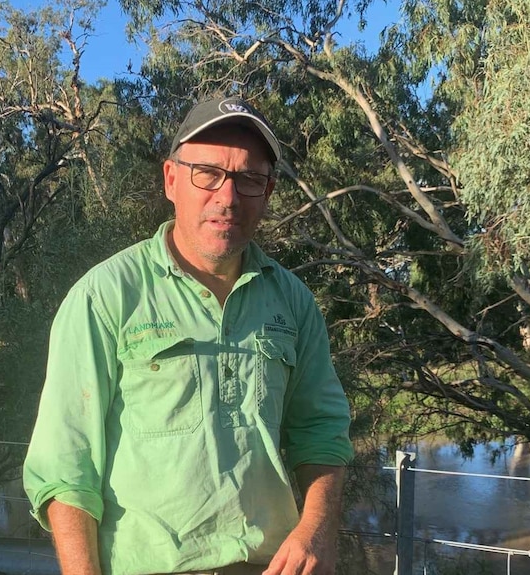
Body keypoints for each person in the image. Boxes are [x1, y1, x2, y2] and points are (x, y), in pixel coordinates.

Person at [23, 97, 353, 575]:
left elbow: (321, 432)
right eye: (208, 173)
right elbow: (66, 466)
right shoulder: (106, 296)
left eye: (249, 179)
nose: (228, 196)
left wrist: (315, 531)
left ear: (268, 191)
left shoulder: (294, 302)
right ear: (171, 179)